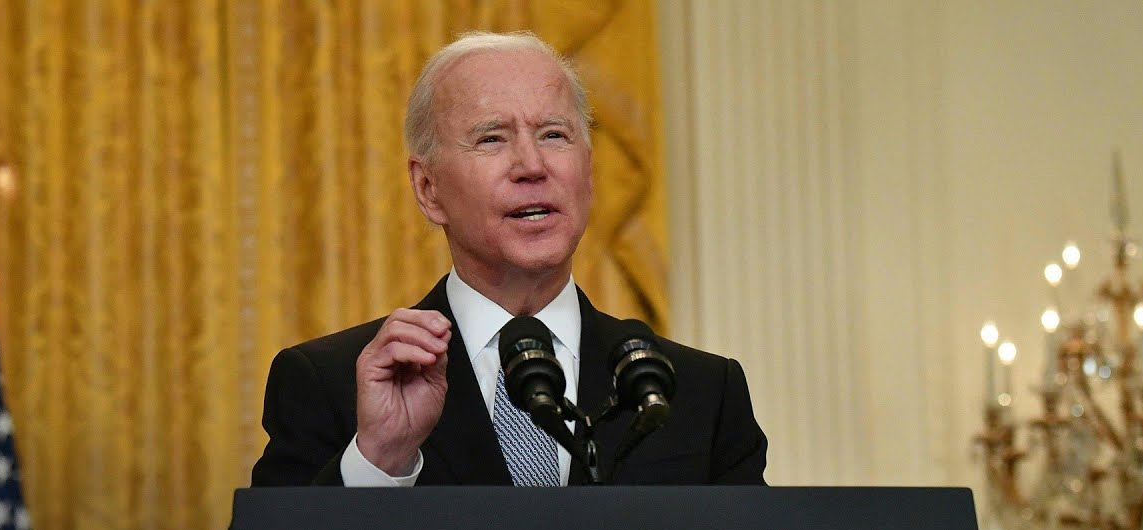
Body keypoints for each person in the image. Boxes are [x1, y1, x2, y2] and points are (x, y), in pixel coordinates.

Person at [251, 31, 767, 488]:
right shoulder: (333, 383)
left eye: (554, 135)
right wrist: (379, 460)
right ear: (428, 189)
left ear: (588, 173)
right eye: (492, 138)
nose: (532, 165)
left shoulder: (699, 392)